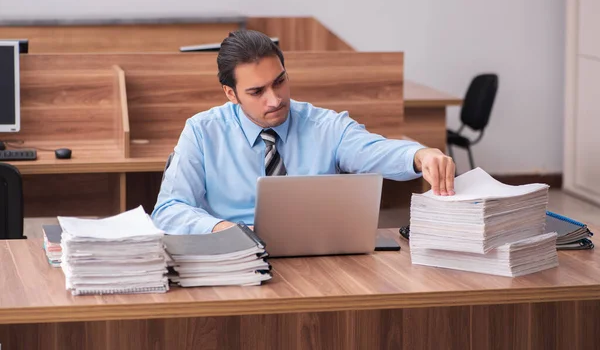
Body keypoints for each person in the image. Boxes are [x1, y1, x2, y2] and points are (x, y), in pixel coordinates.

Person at [151, 30, 455, 234]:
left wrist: (419, 155)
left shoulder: (325, 126)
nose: (275, 99)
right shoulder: (203, 132)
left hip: (318, 256)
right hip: (236, 257)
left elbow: (372, 150)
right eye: (257, 91)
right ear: (231, 94)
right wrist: (224, 230)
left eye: (279, 82)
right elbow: (168, 211)